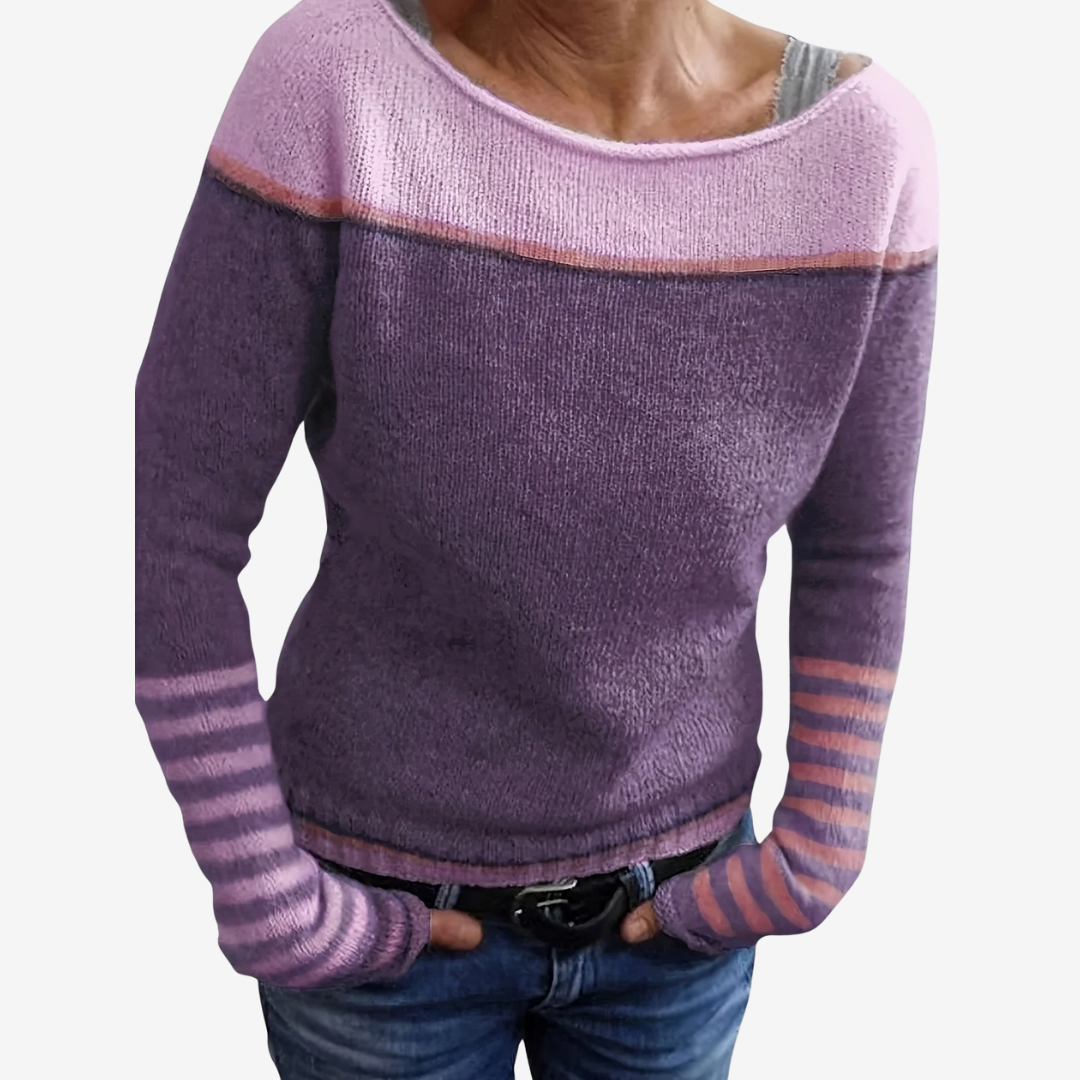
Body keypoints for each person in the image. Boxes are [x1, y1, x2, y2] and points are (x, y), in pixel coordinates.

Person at [133, 0, 938, 1076]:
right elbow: (179, 521)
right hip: (370, 919)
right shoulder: (332, 85)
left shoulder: (860, 150)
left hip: (681, 921)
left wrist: (822, 840)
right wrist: (263, 886)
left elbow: (857, 545)